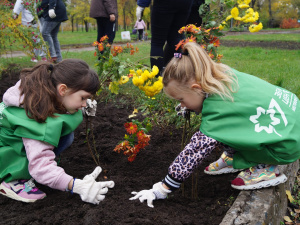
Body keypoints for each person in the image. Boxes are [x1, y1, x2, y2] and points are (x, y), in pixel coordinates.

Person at [129, 42, 300, 208]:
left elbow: (195, 151)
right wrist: (186, 104)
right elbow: (233, 119)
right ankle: (235, 155)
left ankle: (265, 168)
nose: (181, 105)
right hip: (292, 122)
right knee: (232, 126)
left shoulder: (218, 110)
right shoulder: (223, 76)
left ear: (196, 87)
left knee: (214, 134)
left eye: (181, 100)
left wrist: (162, 188)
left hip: (285, 145)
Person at [0, 59, 114, 204]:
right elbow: (40, 167)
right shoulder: (37, 119)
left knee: (66, 135)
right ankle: (12, 179)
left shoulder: (41, 91)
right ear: (62, 89)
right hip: (3, 153)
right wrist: (75, 185)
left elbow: (62, 109)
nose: (85, 103)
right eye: (83, 98)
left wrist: (84, 108)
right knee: (46, 155)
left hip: (10, 141)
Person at [136, 0, 193, 74]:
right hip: (185, 3)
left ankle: (157, 77)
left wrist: (141, 5)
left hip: (164, 3)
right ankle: (178, 73)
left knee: (157, 43)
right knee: (176, 39)